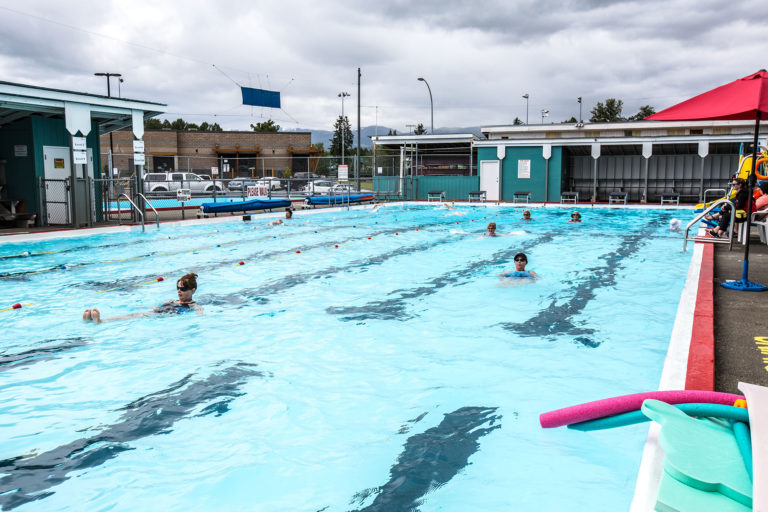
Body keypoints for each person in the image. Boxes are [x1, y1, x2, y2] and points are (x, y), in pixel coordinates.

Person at [83, 273, 203, 323]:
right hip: (156, 313)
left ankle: (101, 321)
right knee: (133, 314)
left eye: (183, 289)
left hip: (159, 317)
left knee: (133, 316)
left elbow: (200, 317)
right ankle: (95, 320)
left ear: (192, 290)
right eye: (178, 288)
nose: (179, 291)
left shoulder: (194, 306)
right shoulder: (172, 300)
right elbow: (157, 306)